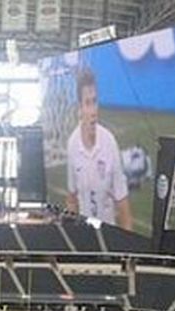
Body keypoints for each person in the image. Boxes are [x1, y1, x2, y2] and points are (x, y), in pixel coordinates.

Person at [66, 67, 133, 231]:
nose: (94, 111)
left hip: (109, 238)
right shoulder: (72, 144)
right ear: (79, 109)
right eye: (88, 103)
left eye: (95, 101)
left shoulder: (109, 143)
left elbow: (123, 204)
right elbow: (71, 199)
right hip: (84, 239)